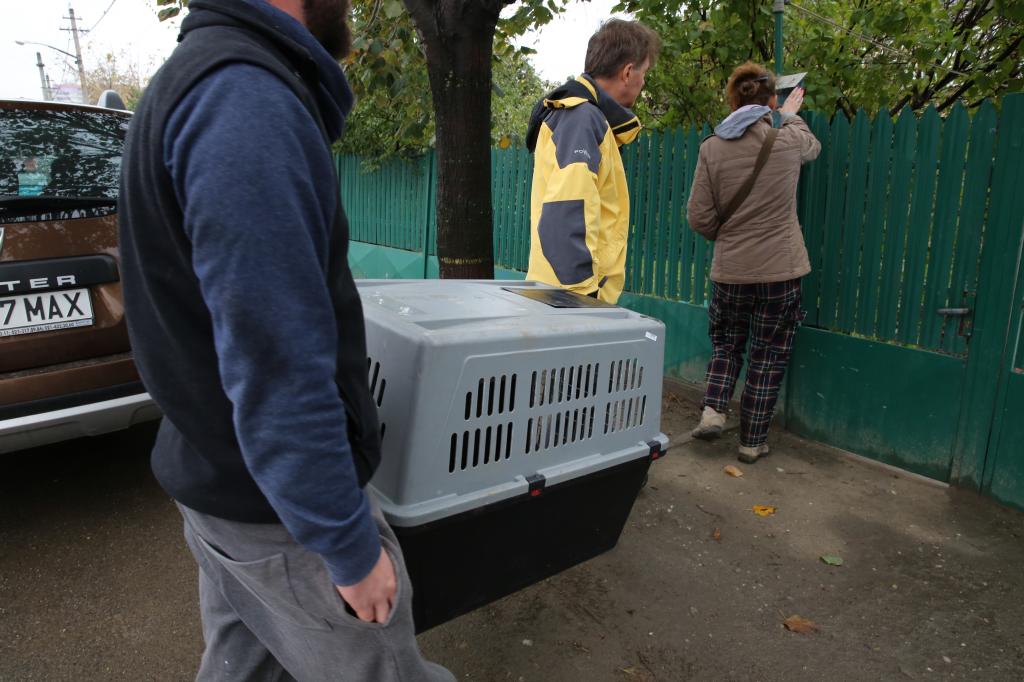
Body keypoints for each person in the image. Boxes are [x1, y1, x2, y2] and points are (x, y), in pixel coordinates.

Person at [118, 0, 454, 679]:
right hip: (281, 519)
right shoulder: (245, 104)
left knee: (245, 669)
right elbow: (277, 365)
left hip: (225, 485)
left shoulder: (198, 80)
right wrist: (348, 546)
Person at [686, 62, 821, 463]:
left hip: (731, 270)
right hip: (781, 270)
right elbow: (813, 148)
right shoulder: (787, 140)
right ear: (771, 101)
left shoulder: (711, 147)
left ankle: (713, 412)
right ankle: (751, 442)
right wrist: (791, 119)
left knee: (727, 344)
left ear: (733, 99)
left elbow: (698, 215)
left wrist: (726, 238)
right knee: (768, 353)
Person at [525, 19, 660, 304]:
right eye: (644, 72)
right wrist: (586, 300)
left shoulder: (584, 117)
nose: (644, 80)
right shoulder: (582, 118)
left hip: (561, 294)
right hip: (572, 299)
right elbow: (567, 209)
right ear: (627, 72)